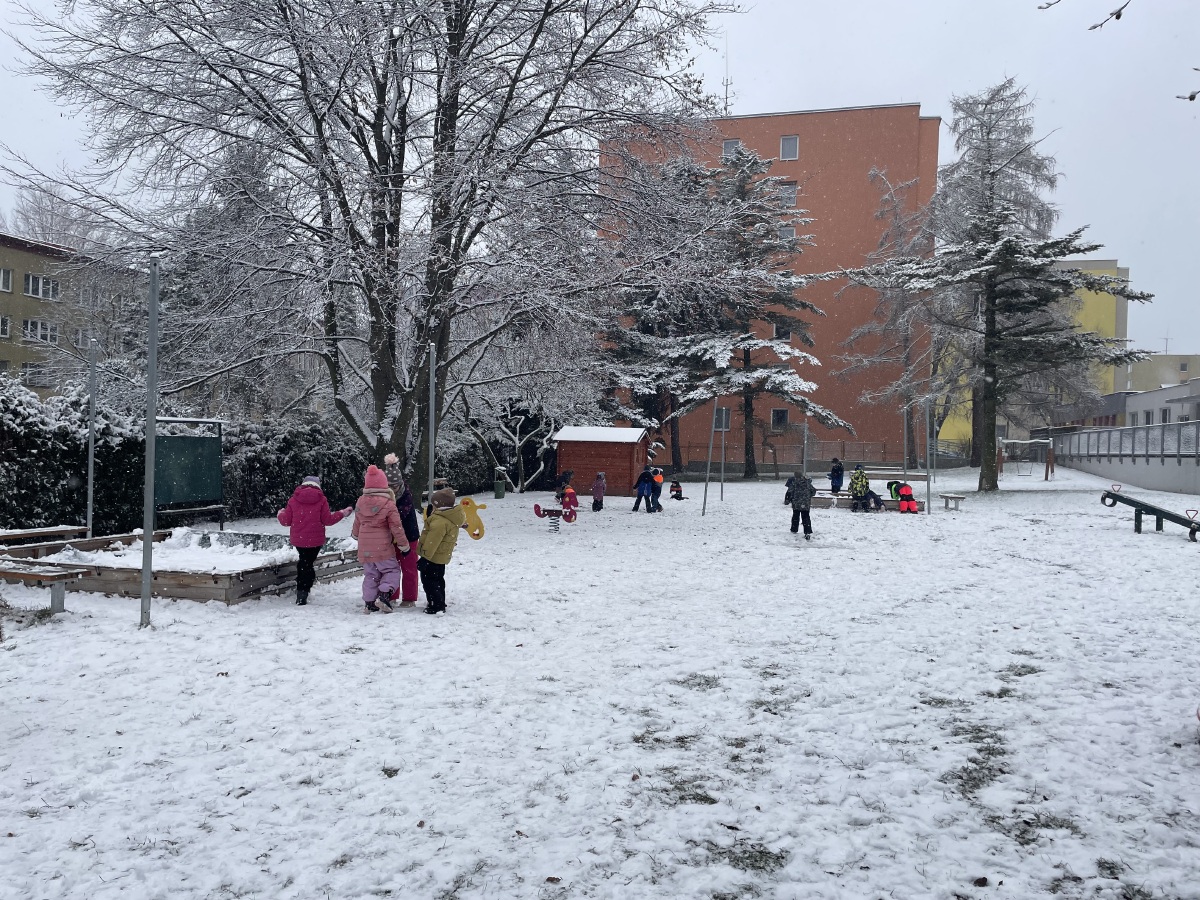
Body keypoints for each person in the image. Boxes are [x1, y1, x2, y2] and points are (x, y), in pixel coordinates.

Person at [277, 475, 352, 606]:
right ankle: (304, 589)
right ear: (318, 486)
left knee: (304, 562)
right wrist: (342, 513)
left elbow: (286, 521)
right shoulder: (321, 500)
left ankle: (302, 590)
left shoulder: (293, 500)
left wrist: (280, 513)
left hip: (299, 540)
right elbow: (328, 520)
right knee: (307, 563)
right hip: (315, 541)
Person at [352, 465, 411, 613]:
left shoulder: (360, 501)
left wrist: (355, 535)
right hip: (382, 546)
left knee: (371, 575)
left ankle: (369, 602)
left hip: (364, 546)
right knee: (392, 570)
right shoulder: (389, 504)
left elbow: (357, 521)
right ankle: (384, 595)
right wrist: (404, 545)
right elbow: (396, 527)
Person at [419, 487, 466, 615]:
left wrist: (425, 558)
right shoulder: (450, 517)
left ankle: (436, 605)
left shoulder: (439, 521)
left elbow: (432, 541)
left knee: (429, 581)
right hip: (441, 556)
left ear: (438, 506)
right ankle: (439, 600)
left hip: (433, 557)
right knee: (438, 580)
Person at [383, 453, 422, 607]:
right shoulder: (383, 497)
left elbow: (398, 516)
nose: (392, 489)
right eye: (389, 486)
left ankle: (409, 598)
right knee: (391, 568)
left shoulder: (406, 496)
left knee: (409, 567)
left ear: (400, 484)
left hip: (409, 536)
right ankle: (391, 594)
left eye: (395, 486)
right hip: (390, 538)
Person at [788, 470, 815, 540]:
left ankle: (794, 529)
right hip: (805, 503)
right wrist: (807, 496)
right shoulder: (807, 482)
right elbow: (813, 491)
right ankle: (807, 531)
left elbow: (790, 491)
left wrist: (791, 498)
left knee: (795, 516)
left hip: (796, 503)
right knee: (806, 517)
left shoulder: (794, 483)